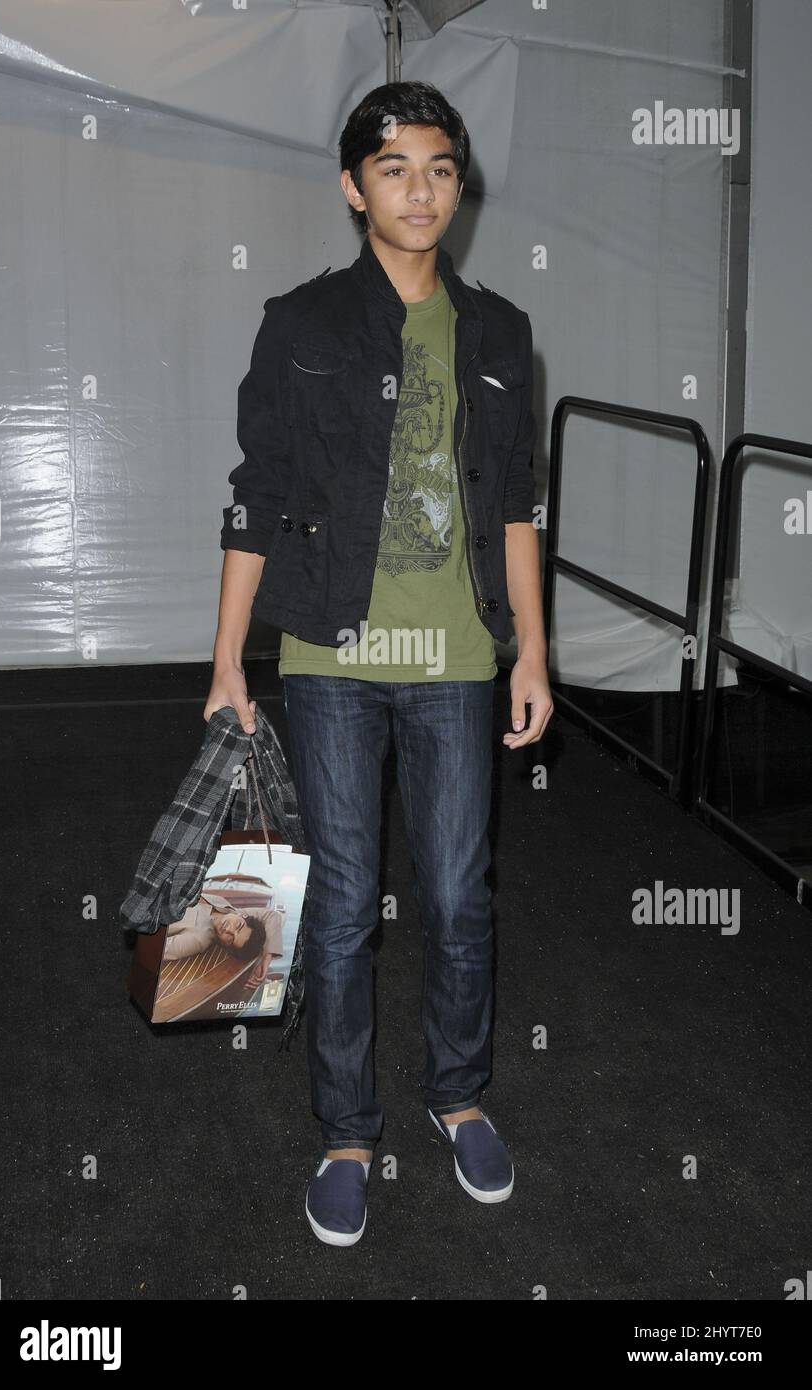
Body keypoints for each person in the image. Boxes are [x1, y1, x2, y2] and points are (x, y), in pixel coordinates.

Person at [204, 81, 553, 1246]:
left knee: (459, 897)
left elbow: (514, 508)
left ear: (460, 186)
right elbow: (254, 496)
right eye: (395, 167)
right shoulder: (299, 323)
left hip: (457, 655)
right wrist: (225, 663)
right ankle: (346, 1132)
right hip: (331, 653)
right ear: (354, 187)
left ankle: (456, 1097)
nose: (421, 188)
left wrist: (531, 654)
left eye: (441, 168)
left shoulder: (499, 332)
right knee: (347, 904)